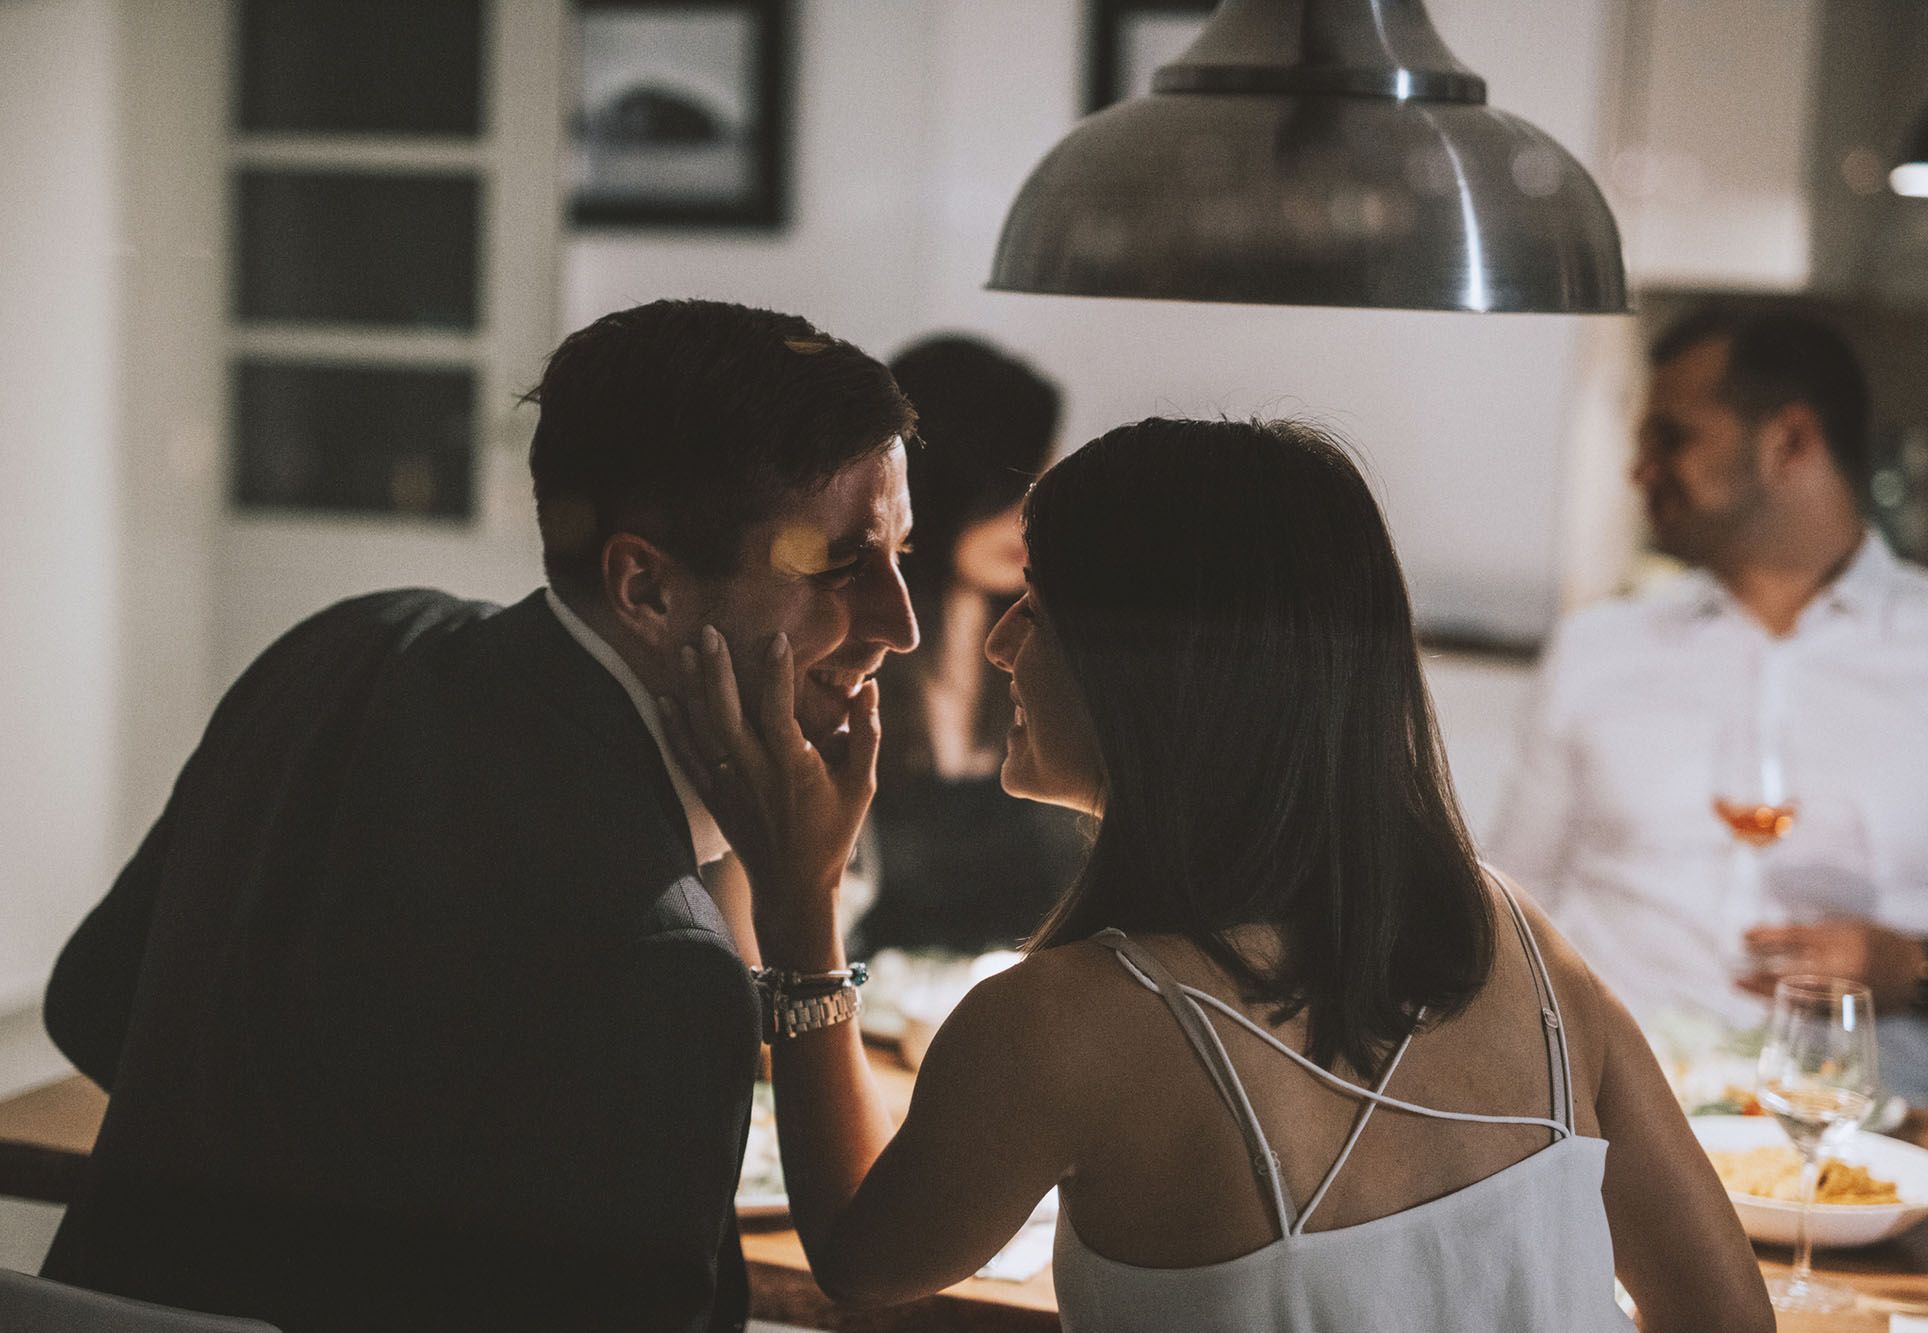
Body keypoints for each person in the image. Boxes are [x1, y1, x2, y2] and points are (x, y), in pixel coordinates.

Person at [663, 418, 1772, 1331]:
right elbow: (1726, 1317)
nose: (1001, 645)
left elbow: (862, 1260)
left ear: (1154, 675)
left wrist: (801, 900)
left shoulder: (1063, 1022)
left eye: (1037, 609)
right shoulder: (1514, 937)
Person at [38, 298, 920, 1332]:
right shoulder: (664, 958)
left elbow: (90, 1004)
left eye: (904, 552)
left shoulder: (349, 646)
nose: (899, 624)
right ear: (644, 586)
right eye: (843, 565)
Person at [1489, 308, 1928, 1111]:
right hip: (1619, 1137)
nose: (1640, 469)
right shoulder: (1596, 650)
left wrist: (1919, 968)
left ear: (1789, 443)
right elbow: (1509, 918)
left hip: (1893, 1146)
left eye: (1672, 437)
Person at [852, 334, 1087, 957]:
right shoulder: (844, 653)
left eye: (1047, 484)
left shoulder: (1055, 644)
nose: (1033, 518)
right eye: (1016, 486)